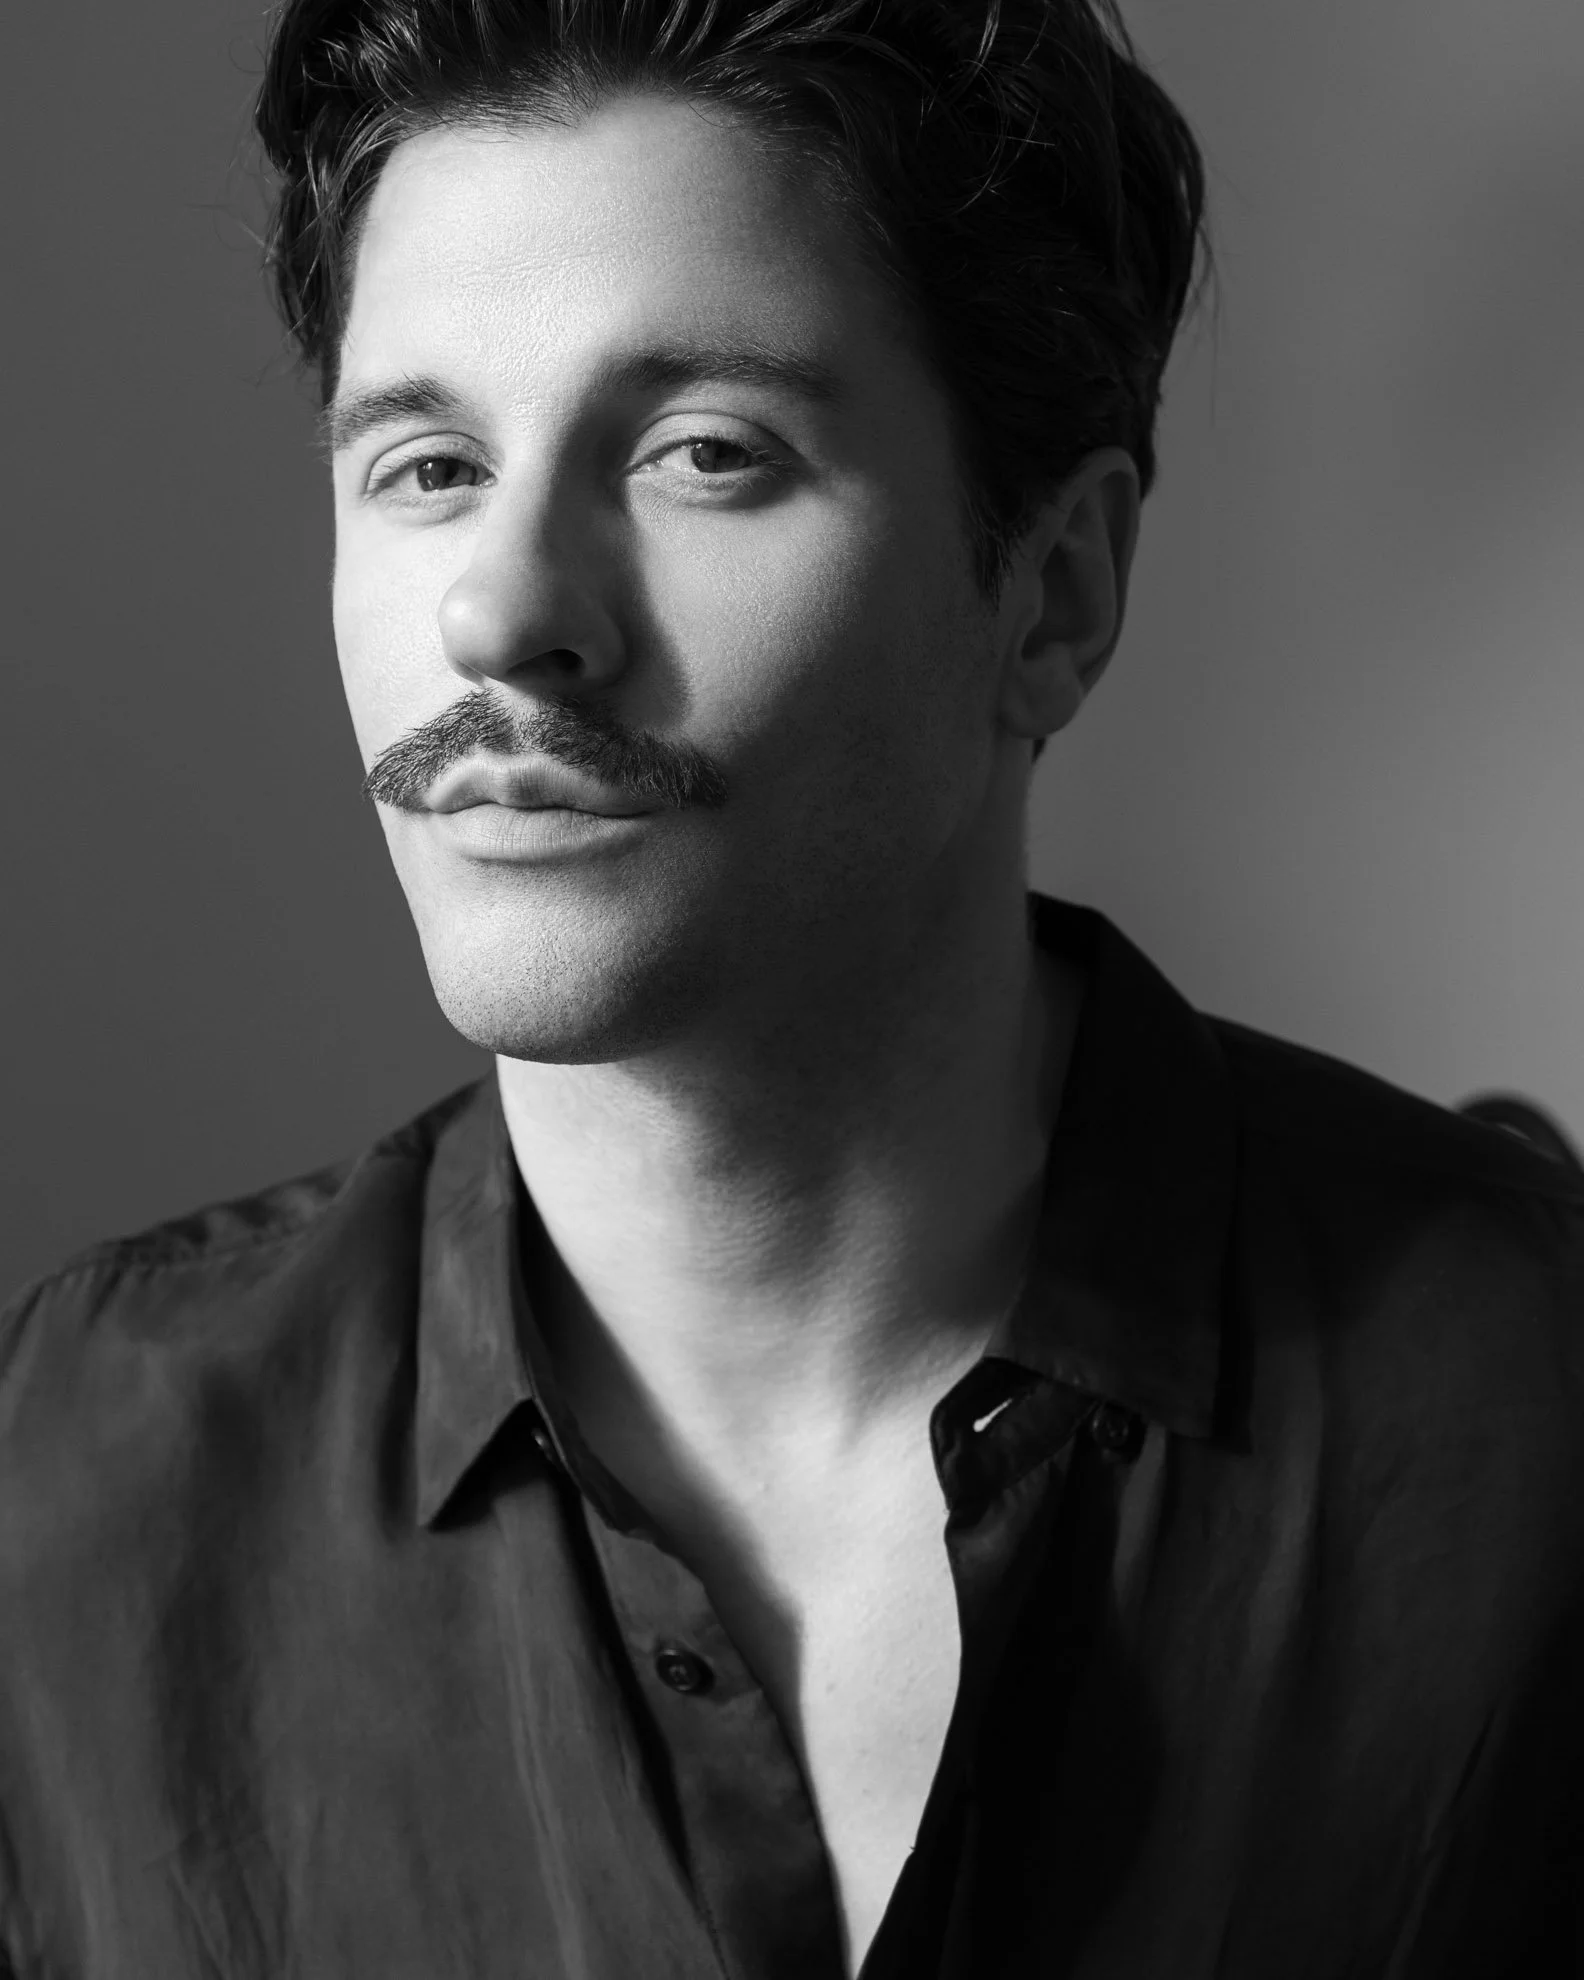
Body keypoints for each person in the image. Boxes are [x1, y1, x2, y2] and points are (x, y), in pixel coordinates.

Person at [2, 1, 1581, 1973]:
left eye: (704, 454)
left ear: (1054, 594)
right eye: (427, 465)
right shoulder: (75, 1487)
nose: (500, 609)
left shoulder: (1530, 1421)